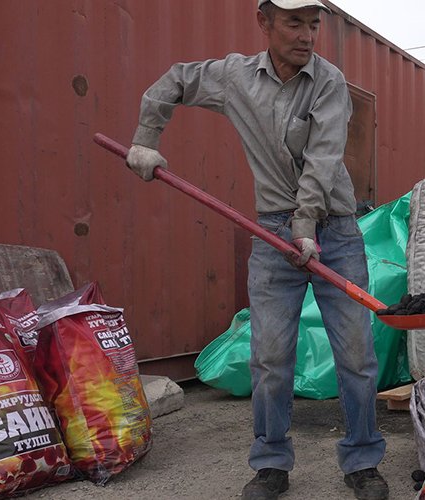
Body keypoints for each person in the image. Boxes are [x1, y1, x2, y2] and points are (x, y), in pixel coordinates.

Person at [124, 1, 388, 499]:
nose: (308, 34)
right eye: (294, 23)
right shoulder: (234, 77)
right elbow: (173, 81)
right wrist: (145, 139)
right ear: (264, 23)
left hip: (334, 233)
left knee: (355, 354)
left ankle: (362, 461)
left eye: (314, 24)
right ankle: (270, 463)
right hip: (271, 236)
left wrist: (306, 224)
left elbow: (324, 156)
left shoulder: (328, 81)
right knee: (269, 356)